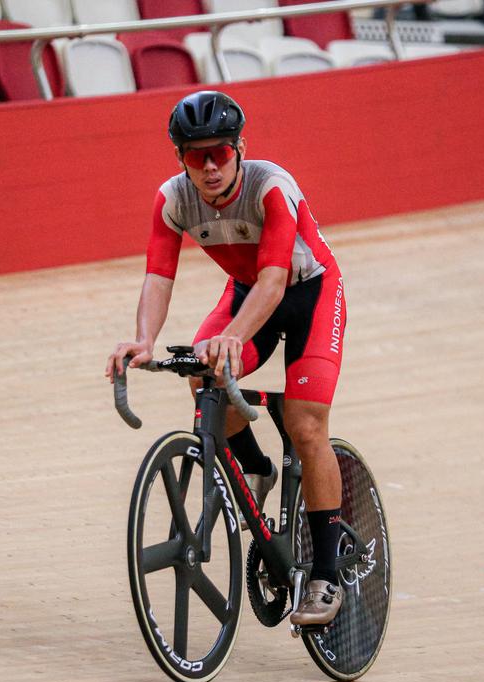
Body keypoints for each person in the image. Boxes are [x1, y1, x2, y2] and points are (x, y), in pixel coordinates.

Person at [105, 91, 347, 626]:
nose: (210, 166)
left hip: (307, 293)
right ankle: (256, 468)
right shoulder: (172, 200)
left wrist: (234, 336)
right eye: (196, 156)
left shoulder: (271, 187)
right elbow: (158, 275)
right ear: (180, 159)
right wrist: (144, 339)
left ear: (240, 148)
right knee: (201, 378)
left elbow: (276, 278)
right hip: (247, 291)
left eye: (219, 152)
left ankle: (327, 577)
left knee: (306, 425)